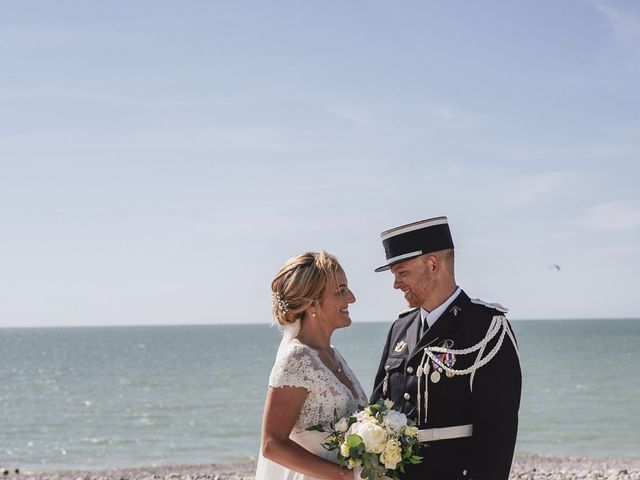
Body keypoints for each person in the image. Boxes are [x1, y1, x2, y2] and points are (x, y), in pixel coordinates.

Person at [371, 216, 522, 480]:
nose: (396, 284)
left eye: (402, 273)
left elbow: (497, 433)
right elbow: (378, 409)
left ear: (433, 264)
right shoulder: (399, 329)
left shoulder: (486, 328)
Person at [255, 252, 367, 480]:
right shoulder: (296, 359)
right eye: (341, 292)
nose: (352, 298)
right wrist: (343, 476)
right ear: (313, 303)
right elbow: (271, 444)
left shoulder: (334, 356)